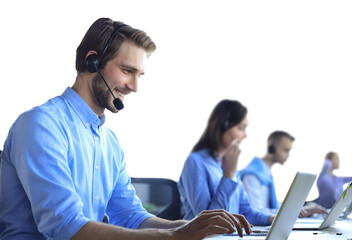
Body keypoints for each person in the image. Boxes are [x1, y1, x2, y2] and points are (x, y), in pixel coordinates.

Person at [0, 18, 252, 240]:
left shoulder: (109, 142)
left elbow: (131, 216)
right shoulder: (41, 125)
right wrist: (174, 236)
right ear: (92, 62)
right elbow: (66, 227)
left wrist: (194, 228)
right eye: (127, 71)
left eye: (139, 75)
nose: (134, 87)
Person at [178, 99, 276, 226]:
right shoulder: (196, 162)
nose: (245, 135)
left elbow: (246, 212)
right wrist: (229, 174)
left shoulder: (228, 163)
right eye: (241, 128)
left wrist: (272, 218)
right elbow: (207, 221)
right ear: (223, 126)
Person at [239, 131, 327, 216]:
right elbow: (255, 212)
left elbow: (274, 206)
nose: (288, 155)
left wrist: (302, 208)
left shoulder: (266, 173)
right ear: (271, 148)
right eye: (286, 150)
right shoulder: (251, 175)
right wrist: (300, 211)